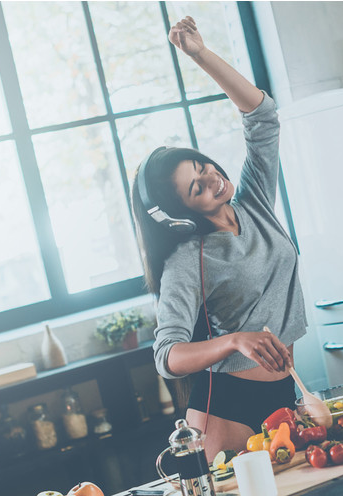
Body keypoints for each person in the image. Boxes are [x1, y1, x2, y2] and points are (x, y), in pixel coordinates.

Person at [130, 16, 307, 459]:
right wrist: (234, 340)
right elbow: (166, 356)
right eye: (196, 187)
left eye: (203, 165)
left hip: (287, 393)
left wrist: (199, 54)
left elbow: (262, 117)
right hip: (226, 411)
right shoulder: (188, 259)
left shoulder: (255, 205)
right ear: (180, 217)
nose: (211, 178)